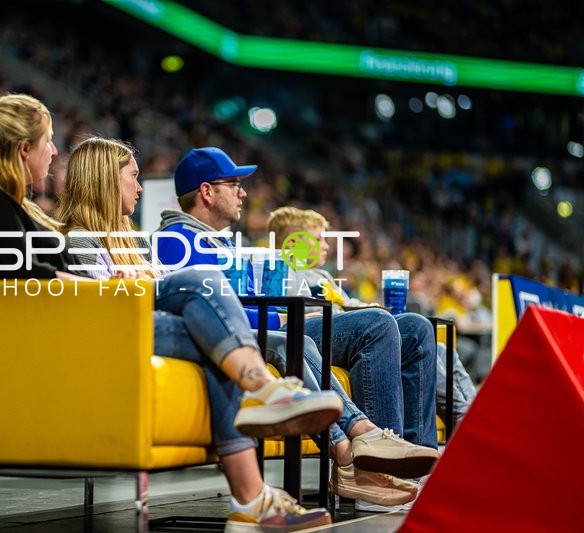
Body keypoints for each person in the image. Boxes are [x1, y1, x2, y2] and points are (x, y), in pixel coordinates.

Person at [0, 85, 342, 531]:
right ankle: (266, 403)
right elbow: (19, 283)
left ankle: (253, 493)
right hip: (66, 329)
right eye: (48, 141)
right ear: (23, 149)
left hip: (82, 320)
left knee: (213, 329)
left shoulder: (20, 209)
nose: (55, 152)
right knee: (196, 285)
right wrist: (105, 285)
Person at [58, 137, 443, 508]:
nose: (140, 187)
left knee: (405, 329)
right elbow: (128, 297)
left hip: (195, 323)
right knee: (312, 335)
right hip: (147, 329)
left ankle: (364, 448)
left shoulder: (137, 241)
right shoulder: (158, 240)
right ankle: (355, 449)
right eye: (132, 176)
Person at [155, 147, 440, 454]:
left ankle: (415, 459)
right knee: (377, 323)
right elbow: (215, 314)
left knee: (415, 327)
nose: (244, 194)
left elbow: (252, 300)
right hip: (266, 332)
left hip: (279, 323)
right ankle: (382, 456)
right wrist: (285, 318)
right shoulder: (176, 241)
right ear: (207, 192)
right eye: (234, 185)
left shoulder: (222, 242)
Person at [267, 206, 477, 426]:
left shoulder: (323, 275)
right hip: (327, 333)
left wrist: (373, 307)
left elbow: (349, 304)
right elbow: (289, 311)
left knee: (434, 344)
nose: (326, 246)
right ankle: (462, 418)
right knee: (384, 325)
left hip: (343, 328)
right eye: (319, 239)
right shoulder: (283, 268)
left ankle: (469, 412)